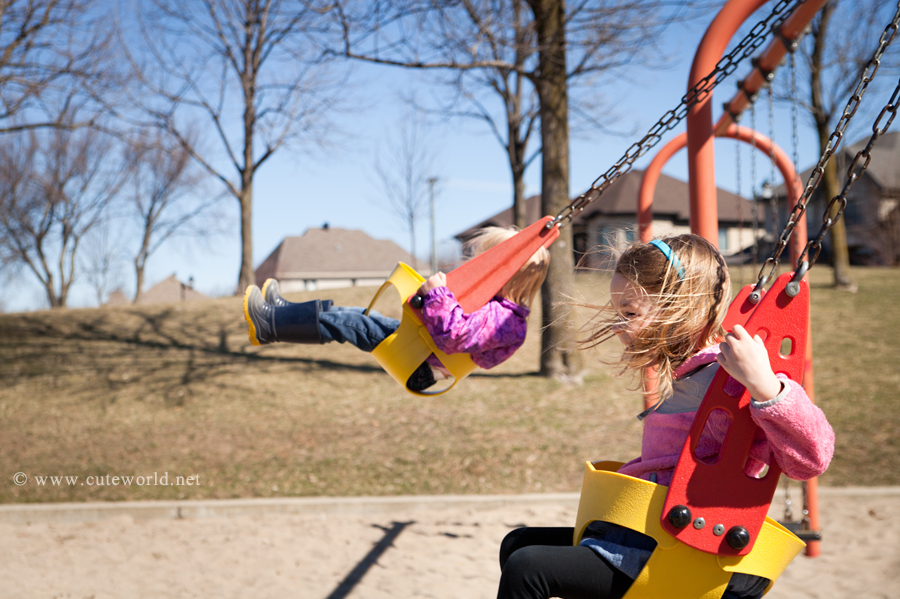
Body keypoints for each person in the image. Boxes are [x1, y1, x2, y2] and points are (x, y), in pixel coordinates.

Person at [496, 234, 834, 599]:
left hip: (688, 544)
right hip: (649, 533)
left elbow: (813, 458)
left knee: (527, 568)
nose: (617, 326)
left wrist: (767, 388)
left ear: (681, 308)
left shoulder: (732, 378)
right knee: (517, 542)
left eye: (629, 313)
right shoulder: (689, 374)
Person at [242, 226, 550, 392]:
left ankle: (269, 324)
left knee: (349, 321)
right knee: (353, 316)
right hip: (420, 347)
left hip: (421, 365)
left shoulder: (505, 321)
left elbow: (454, 337)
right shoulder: (501, 311)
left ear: (509, 273)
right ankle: (281, 314)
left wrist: (437, 293)